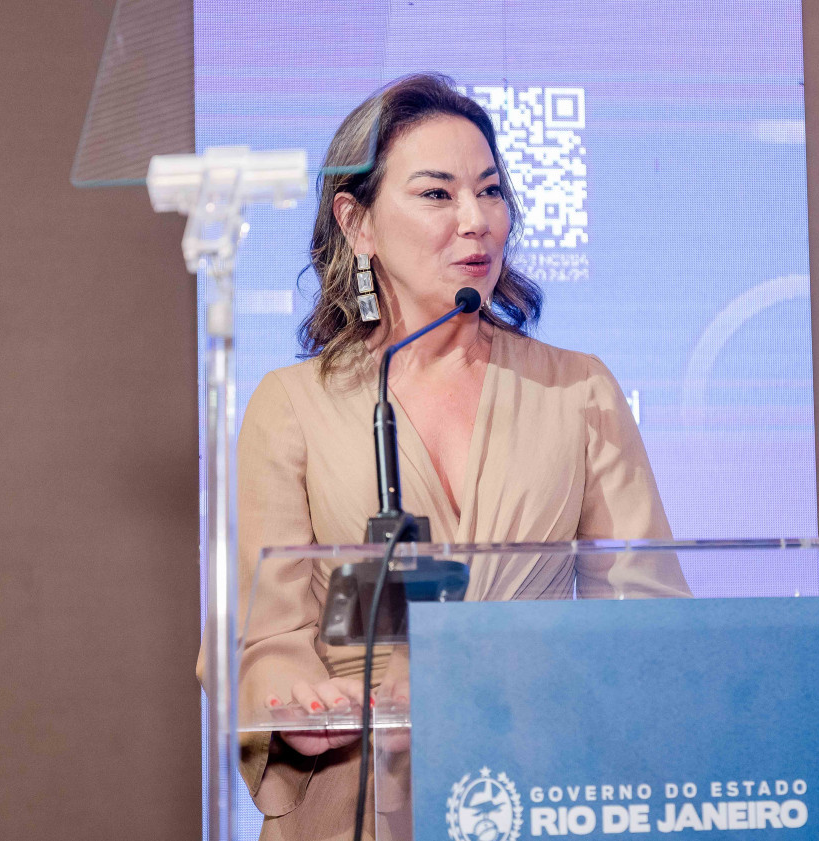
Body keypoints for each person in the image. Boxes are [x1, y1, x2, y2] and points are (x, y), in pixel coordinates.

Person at [200, 73, 689, 841]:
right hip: (357, 798)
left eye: (490, 191)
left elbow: (645, 613)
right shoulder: (291, 402)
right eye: (437, 193)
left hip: (540, 788)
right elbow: (263, 635)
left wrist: (767, 668)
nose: (477, 220)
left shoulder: (578, 389)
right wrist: (294, 699)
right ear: (357, 222)